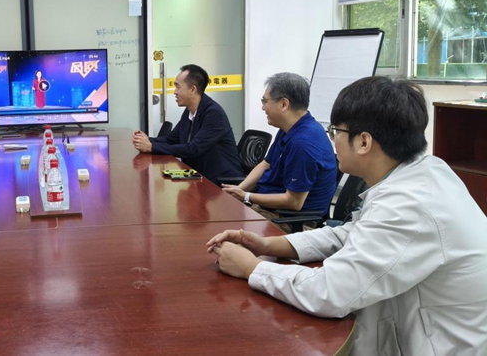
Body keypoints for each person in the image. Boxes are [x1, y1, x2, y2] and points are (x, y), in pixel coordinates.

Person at [206, 77, 487, 355]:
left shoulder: (411, 203)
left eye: (335, 131)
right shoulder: (420, 173)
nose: (332, 141)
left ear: (363, 142)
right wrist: (269, 245)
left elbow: (330, 291)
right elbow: (354, 231)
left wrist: (252, 268)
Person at [221, 73, 337, 232]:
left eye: (265, 101)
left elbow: (294, 202)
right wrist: (238, 191)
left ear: (284, 104)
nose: (263, 107)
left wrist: (246, 196)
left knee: (220, 228)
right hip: (269, 209)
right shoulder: (289, 128)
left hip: (289, 221)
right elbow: (266, 164)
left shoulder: (303, 143)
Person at [132, 64, 242, 184]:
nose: (174, 92)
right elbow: (171, 139)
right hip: (198, 175)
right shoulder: (189, 111)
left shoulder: (214, 113)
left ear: (192, 89)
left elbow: (193, 149)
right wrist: (146, 140)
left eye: (178, 87)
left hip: (220, 181)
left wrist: (151, 147)